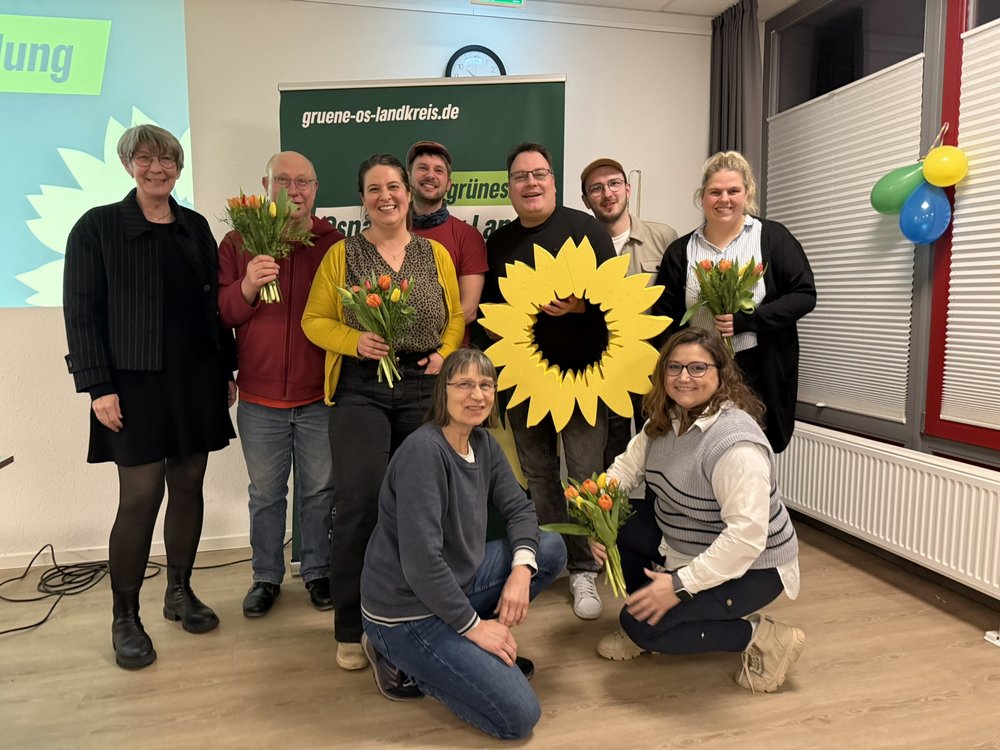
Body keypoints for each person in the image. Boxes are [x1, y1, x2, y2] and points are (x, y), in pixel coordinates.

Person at [63, 124, 236, 670]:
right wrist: (98, 386)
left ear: (179, 166)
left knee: (189, 483)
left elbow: (214, 305)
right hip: (132, 383)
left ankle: (179, 592)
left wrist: (228, 366)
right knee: (140, 496)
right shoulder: (97, 227)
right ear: (128, 164)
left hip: (196, 376)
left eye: (167, 159)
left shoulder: (194, 227)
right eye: (145, 158)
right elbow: (81, 314)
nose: (157, 168)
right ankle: (125, 616)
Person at [302, 153, 465, 671]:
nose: (386, 196)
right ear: (362, 199)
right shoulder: (342, 255)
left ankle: (423, 613)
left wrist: (444, 353)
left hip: (422, 387)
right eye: (374, 189)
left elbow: (456, 315)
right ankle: (351, 628)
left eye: (394, 186)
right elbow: (314, 320)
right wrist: (354, 340)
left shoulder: (434, 253)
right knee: (359, 507)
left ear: (408, 191)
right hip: (360, 388)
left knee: (423, 506)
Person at [360, 349, 566, 740]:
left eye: (486, 384)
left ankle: (466, 648)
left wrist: (521, 572)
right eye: (464, 384)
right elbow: (422, 565)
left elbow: (522, 510)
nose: (477, 395)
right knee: (519, 717)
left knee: (549, 548)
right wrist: (476, 629)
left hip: (453, 584)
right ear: (444, 391)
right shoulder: (424, 453)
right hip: (407, 612)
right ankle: (394, 653)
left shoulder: (484, 444)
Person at [592, 327, 804, 694]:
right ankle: (654, 614)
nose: (683, 377)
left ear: (721, 374)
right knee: (621, 524)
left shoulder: (735, 444)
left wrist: (678, 585)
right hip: (691, 542)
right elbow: (624, 470)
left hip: (755, 566)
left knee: (640, 626)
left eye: (697, 368)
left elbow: (745, 539)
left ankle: (761, 635)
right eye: (674, 368)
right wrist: (598, 518)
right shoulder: (666, 419)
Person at [482, 142, 616, 621]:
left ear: (553, 182)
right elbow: (486, 318)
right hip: (525, 382)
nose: (531, 183)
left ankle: (584, 569)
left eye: (539, 174)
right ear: (511, 188)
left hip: (583, 380)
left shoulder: (586, 229)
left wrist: (583, 305)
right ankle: (548, 558)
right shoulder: (497, 244)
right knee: (538, 475)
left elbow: (615, 303)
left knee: (583, 475)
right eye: (521, 177)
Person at [218, 151, 344, 617]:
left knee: (318, 493)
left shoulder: (334, 245)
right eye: (284, 180)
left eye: (304, 181)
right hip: (259, 398)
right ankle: (265, 577)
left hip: (319, 396)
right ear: (265, 184)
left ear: (315, 188)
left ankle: (317, 572)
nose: (295, 189)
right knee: (266, 495)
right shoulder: (238, 241)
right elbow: (225, 313)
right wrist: (248, 284)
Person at [652, 151, 816, 453]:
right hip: (698, 372)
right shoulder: (680, 251)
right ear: (702, 197)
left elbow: (804, 295)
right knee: (697, 451)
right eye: (715, 192)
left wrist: (748, 320)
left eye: (733, 191)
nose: (723, 199)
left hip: (756, 368)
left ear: (747, 193)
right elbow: (663, 319)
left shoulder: (773, 238)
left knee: (749, 452)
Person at [579, 157, 678, 472]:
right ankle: (611, 520)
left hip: (655, 366)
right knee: (613, 458)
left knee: (663, 450)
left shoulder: (663, 237)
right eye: (596, 188)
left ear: (627, 189)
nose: (607, 194)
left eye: (613, 184)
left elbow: (680, 304)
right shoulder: (578, 246)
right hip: (604, 370)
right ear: (586, 200)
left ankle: (662, 517)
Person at [406, 140, 488, 347]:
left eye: (439, 171)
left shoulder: (467, 236)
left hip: (449, 361)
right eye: (422, 168)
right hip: (396, 360)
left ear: (449, 184)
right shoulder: (388, 234)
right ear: (407, 178)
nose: (430, 175)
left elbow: (467, 310)